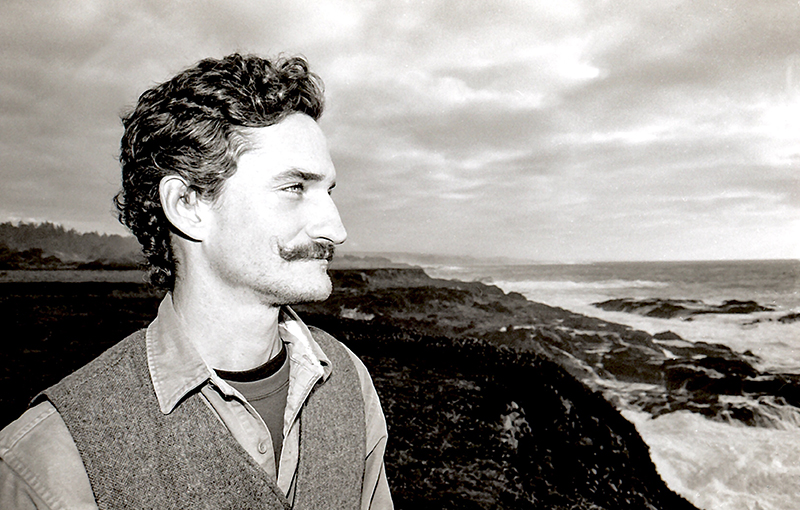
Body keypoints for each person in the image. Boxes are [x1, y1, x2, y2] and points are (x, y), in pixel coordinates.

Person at [0, 53, 392, 510]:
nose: (336, 229)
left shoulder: (349, 380)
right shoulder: (46, 461)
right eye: (294, 188)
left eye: (327, 191)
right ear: (187, 204)